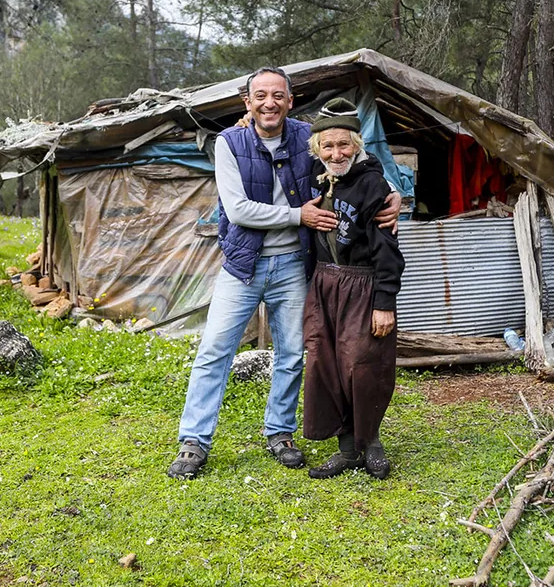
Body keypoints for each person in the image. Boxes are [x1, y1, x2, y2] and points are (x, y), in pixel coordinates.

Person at [168, 68, 400, 480]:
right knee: (214, 351)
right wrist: (299, 214)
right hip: (243, 265)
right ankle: (194, 440)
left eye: (278, 95)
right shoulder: (229, 142)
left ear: (291, 101)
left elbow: (351, 152)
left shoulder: (304, 136)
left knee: (293, 353)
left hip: (294, 263)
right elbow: (237, 209)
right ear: (247, 102)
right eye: (260, 96)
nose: (269, 103)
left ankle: (280, 432)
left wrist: (390, 191)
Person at [302, 98, 405, 480]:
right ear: (316, 150)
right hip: (324, 283)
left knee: (363, 365)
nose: (336, 152)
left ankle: (371, 442)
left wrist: (384, 302)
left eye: (344, 144)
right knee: (325, 364)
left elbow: (388, 251)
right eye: (327, 146)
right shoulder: (318, 174)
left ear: (357, 145)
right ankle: (347, 449)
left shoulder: (372, 185)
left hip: (362, 285)